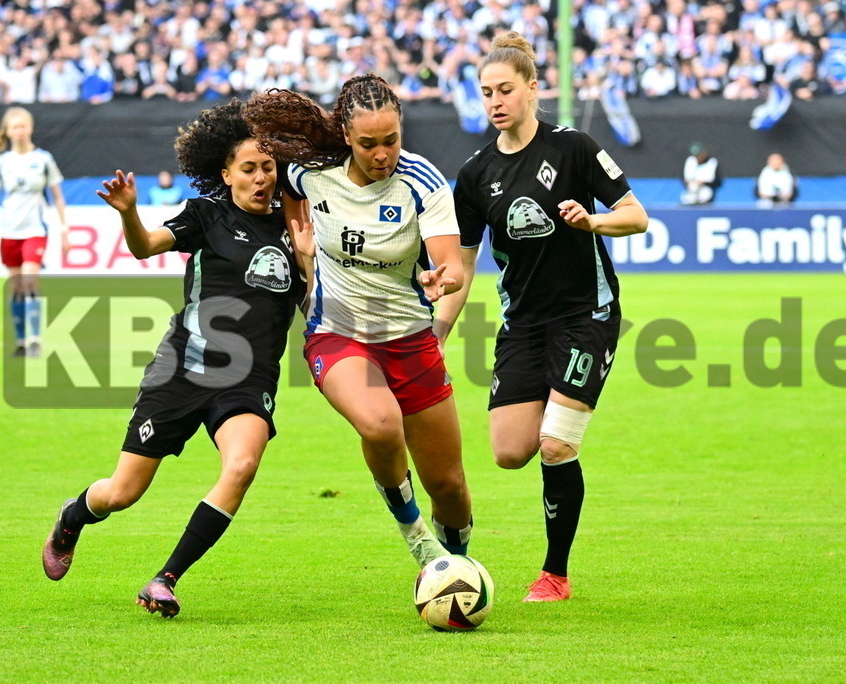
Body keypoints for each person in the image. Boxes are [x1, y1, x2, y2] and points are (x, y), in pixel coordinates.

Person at [41, 99, 304, 618]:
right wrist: (129, 213)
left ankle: (165, 578)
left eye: (268, 168)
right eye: (248, 169)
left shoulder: (297, 230)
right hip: (181, 369)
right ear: (225, 173)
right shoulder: (206, 215)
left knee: (243, 464)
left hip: (247, 381)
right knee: (121, 493)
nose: (260, 179)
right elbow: (145, 247)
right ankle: (72, 517)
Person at [436, 32, 649, 602]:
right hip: (524, 325)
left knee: (556, 443)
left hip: (587, 313)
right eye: (485, 92)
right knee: (510, 452)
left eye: (505, 89)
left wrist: (593, 223)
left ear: (533, 89)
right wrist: (437, 332)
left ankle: (555, 573)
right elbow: (462, 263)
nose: (495, 101)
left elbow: (637, 216)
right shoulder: (476, 174)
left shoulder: (574, 147)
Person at [244, 74, 473, 569]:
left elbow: (451, 263)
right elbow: (286, 184)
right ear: (346, 137)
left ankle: (455, 568)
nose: (381, 153)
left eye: (391, 140)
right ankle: (416, 537)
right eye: (368, 143)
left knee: (449, 485)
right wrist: (298, 237)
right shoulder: (314, 172)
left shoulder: (424, 183)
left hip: (410, 341)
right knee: (380, 424)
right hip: (337, 333)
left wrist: (443, 280)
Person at [0, 107, 70, 357]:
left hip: (34, 231)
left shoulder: (43, 159)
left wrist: (64, 230)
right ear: (7, 132)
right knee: (16, 288)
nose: (19, 131)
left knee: (30, 281)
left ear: (30, 128)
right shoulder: (2, 163)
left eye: (23, 126)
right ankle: (20, 341)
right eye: (14, 127)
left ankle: (34, 339)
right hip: (9, 232)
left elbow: (58, 198)